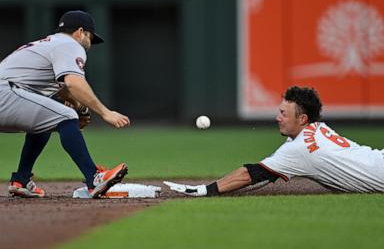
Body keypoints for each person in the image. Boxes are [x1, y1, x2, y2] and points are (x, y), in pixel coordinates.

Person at [0, 10, 130, 198]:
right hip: (6, 92)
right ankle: (94, 177)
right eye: (90, 38)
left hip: (8, 93)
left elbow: (63, 89)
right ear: (80, 32)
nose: (89, 45)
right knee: (66, 116)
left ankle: (21, 178)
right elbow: (73, 82)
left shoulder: (51, 44)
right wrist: (105, 112)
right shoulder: (70, 44)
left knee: (45, 119)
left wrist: (80, 106)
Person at [164, 86, 384, 196]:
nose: (278, 118)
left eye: (284, 113)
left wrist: (204, 190)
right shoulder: (318, 129)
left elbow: (251, 174)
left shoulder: (299, 149)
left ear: (303, 118)